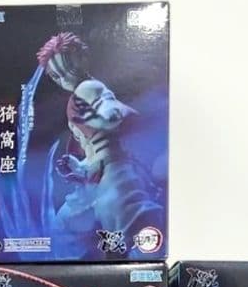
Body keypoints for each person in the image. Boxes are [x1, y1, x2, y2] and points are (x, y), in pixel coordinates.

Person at [36, 32, 164, 245]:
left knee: (132, 234)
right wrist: (80, 167)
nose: (64, 79)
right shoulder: (78, 94)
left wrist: (106, 116)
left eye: (68, 69)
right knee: (64, 227)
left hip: (114, 176)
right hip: (96, 178)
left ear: (81, 59)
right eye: (57, 76)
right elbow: (95, 144)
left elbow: (110, 107)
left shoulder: (88, 87)